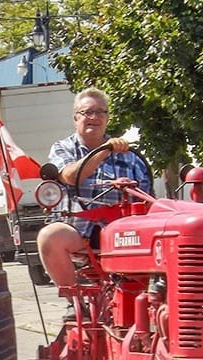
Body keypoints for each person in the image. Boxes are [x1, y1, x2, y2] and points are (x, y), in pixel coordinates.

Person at [36, 87, 151, 315]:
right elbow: (69, 175)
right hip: (80, 233)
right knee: (50, 236)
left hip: (124, 235)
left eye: (101, 112)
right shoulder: (63, 148)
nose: (95, 117)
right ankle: (76, 303)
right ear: (76, 117)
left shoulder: (130, 154)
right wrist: (104, 151)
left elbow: (146, 199)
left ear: (107, 118)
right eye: (88, 112)